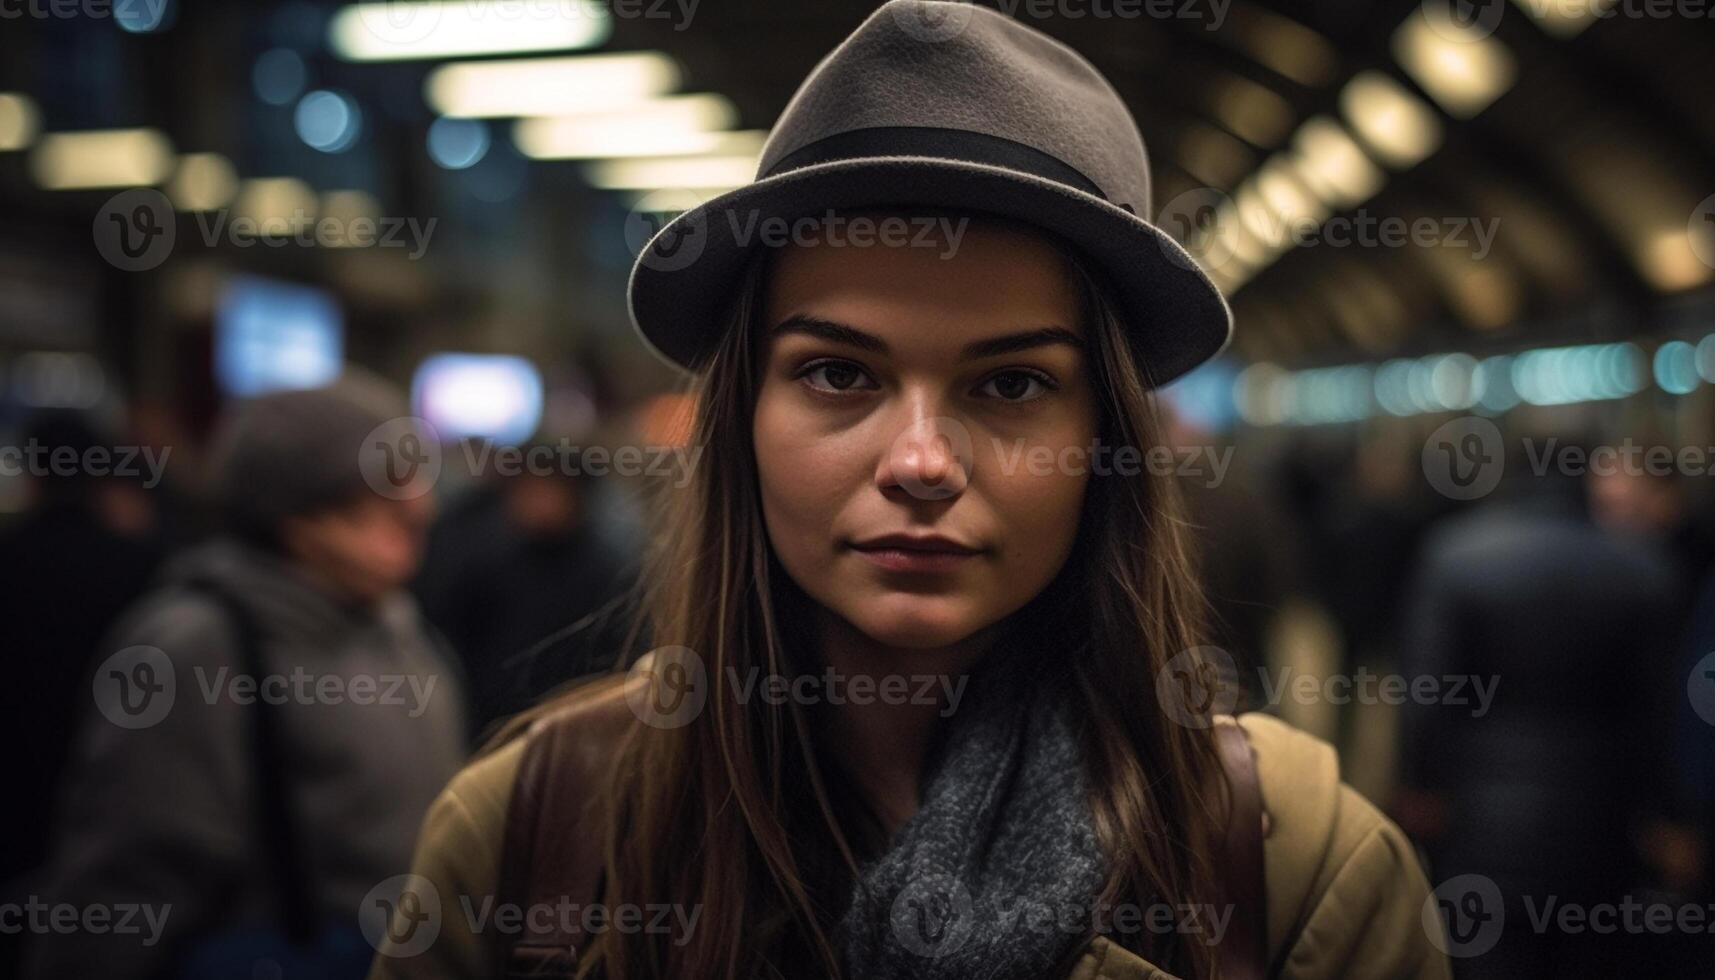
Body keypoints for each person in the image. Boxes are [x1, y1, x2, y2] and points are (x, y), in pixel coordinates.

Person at [370, 4, 1446, 978]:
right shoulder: (529, 834)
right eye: (838, 373)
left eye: (1013, 382)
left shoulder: (1292, 871)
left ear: (1103, 440)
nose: (921, 459)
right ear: (740, 418)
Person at [27, 372, 469, 980]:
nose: (421, 508)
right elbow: (127, 881)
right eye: (379, 490)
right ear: (295, 511)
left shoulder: (394, 623)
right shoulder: (197, 642)